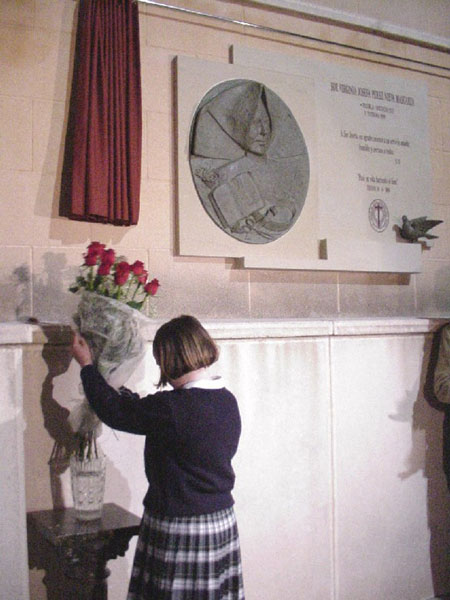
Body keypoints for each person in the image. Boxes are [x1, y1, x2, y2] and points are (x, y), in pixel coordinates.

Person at [72, 315, 245, 599]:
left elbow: (116, 413)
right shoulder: (225, 400)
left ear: (172, 357)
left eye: (159, 359)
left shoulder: (173, 408)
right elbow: (142, 411)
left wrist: (87, 367)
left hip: (181, 526)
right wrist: (116, 389)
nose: (158, 366)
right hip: (219, 520)